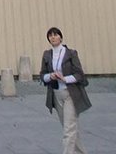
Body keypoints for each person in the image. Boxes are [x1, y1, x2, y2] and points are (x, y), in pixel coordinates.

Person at [40, 26, 91, 154]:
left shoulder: (71, 53)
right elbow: (42, 75)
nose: (53, 37)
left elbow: (79, 74)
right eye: (50, 35)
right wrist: (49, 76)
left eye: (56, 34)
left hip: (70, 94)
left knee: (69, 129)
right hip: (57, 94)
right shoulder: (47, 55)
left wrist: (65, 78)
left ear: (61, 37)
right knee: (69, 127)